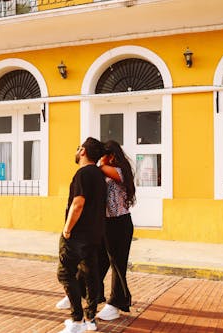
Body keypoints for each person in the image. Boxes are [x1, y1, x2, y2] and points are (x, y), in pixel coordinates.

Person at [56, 137, 107, 333]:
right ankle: (90, 318)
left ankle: (76, 321)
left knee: (65, 274)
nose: (77, 151)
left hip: (77, 235)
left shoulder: (83, 173)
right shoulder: (98, 175)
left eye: (78, 148)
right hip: (94, 235)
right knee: (90, 276)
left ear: (83, 151)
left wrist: (67, 230)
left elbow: (78, 204)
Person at [96, 139, 136, 320]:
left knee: (118, 265)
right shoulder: (104, 172)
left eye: (103, 155)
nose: (100, 159)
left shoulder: (120, 171)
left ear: (111, 156)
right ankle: (90, 294)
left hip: (120, 223)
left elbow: (101, 169)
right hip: (106, 224)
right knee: (99, 261)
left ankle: (116, 302)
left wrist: (96, 162)